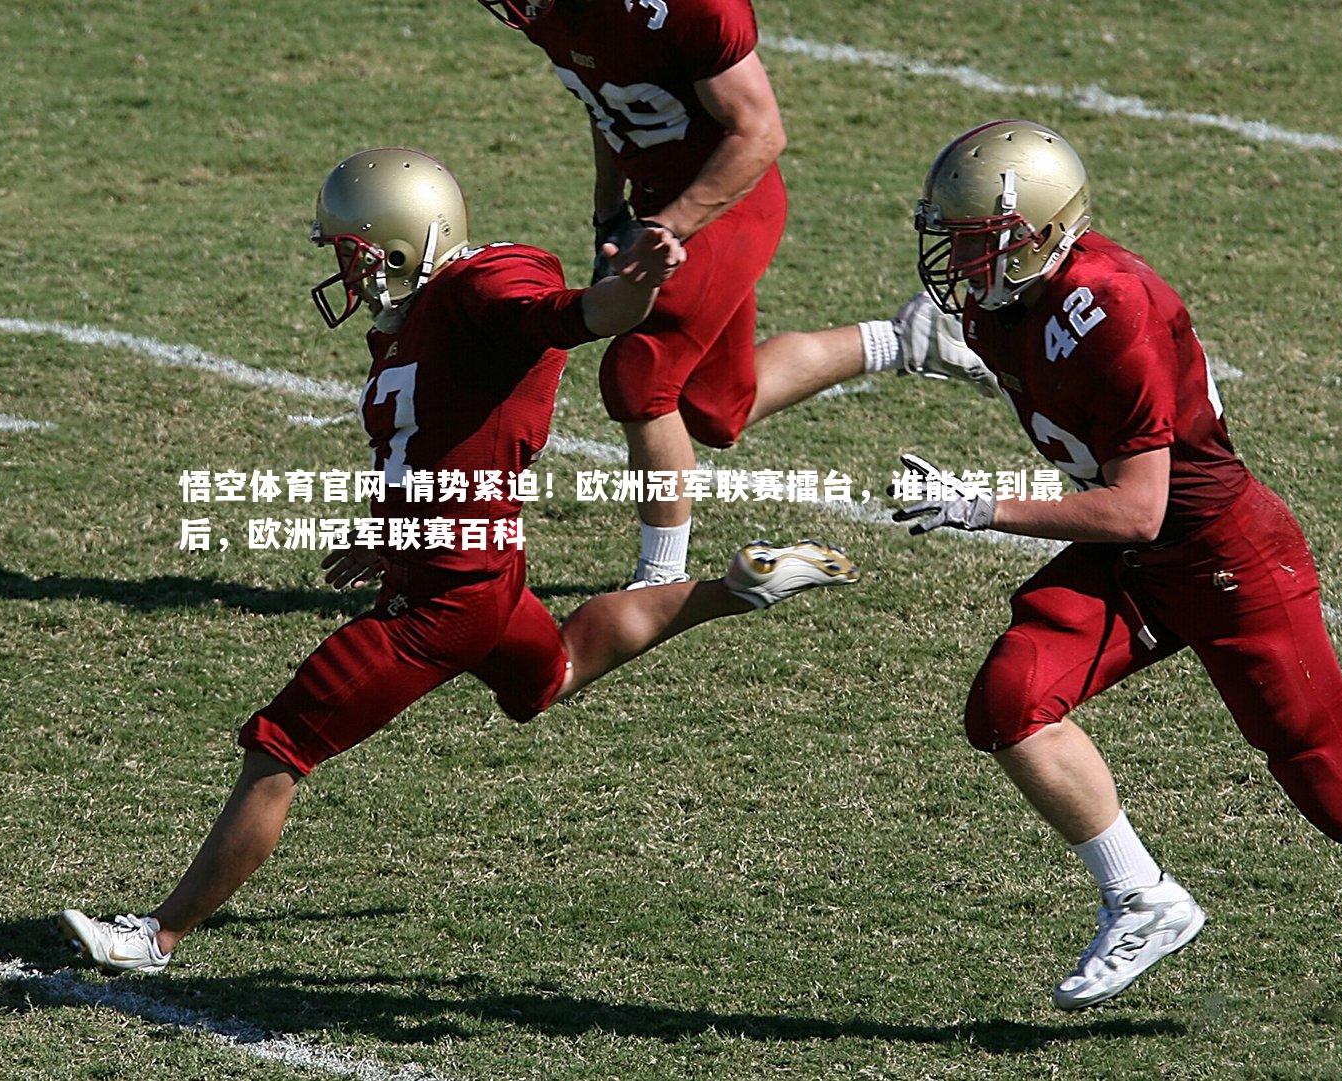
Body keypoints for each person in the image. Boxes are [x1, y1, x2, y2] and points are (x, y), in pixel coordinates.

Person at [59, 148, 858, 972]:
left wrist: (635, 287)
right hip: (482, 564)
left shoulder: (482, 289)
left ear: (407, 243)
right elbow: (441, 443)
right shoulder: (422, 318)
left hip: (439, 603)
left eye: (355, 251)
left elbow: (577, 314)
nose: (345, 268)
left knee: (282, 744)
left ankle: (155, 935)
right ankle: (738, 587)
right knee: (552, 674)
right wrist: (392, 528)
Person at [891, 120, 1342, 1048]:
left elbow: (1139, 508)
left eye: (978, 238)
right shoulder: (1000, 301)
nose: (959, 257)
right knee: (1011, 699)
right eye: (953, 235)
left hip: (1222, 552)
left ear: (1040, 232)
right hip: (1143, 560)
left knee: (1330, 783)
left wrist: (985, 508)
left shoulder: (1115, 307)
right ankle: (1141, 896)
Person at [478, 0, 985, 587]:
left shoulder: (686, 9)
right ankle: (910, 339)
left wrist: (670, 224)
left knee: (638, 375)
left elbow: (761, 132)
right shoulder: (554, 14)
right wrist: (609, 211)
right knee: (719, 410)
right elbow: (609, 106)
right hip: (658, 207)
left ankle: (660, 578)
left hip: (728, 205)